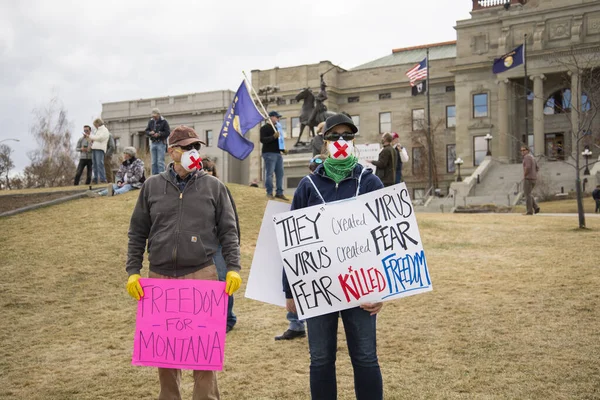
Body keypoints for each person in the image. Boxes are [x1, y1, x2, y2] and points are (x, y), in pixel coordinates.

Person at [125, 125, 242, 400]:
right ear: (172, 151)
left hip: (201, 273)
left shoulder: (214, 186)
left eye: (195, 148)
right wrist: (133, 271)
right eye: (186, 147)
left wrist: (233, 268)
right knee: (165, 355)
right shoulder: (152, 186)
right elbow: (137, 231)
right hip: (159, 278)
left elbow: (229, 231)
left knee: (202, 355)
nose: (192, 152)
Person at [283, 113, 384, 399]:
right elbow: (293, 242)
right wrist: (290, 290)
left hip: (362, 285)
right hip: (318, 288)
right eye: (335, 136)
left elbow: (385, 239)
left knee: (365, 357)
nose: (341, 141)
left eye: (347, 136)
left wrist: (383, 289)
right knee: (321, 359)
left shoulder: (371, 183)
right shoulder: (307, 186)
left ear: (354, 142)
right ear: (324, 143)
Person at [202, 154, 239, 332]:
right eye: (204, 169)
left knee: (223, 281)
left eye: (210, 169)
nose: (207, 172)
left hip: (219, 243)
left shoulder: (220, 188)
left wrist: (234, 243)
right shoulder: (194, 191)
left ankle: (228, 318)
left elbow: (232, 218)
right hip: (201, 245)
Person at [260, 110, 288, 200]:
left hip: (277, 153)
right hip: (269, 153)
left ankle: (279, 192)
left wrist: (282, 149)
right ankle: (269, 192)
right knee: (270, 173)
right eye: (277, 117)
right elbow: (263, 140)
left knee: (280, 173)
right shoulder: (264, 128)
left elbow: (279, 142)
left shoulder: (278, 128)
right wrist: (273, 137)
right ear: (271, 117)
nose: (278, 119)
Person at [145, 108, 171, 175]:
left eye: (155, 116)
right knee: (153, 162)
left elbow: (167, 132)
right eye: (153, 116)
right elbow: (146, 131)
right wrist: (150, 133)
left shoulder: (164, 122)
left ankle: (162, 176)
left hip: (161, 143)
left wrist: (159, 134)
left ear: (159, 115)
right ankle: (154, 176)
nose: (154, 117)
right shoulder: (151, 121)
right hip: (153, 143)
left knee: (160, 161)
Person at [88, 118, 110, 184]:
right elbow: (96, 138)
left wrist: (90, 136)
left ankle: (103, 179)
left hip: (100, 149)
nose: (95, 126)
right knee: (94, 164)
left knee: (100, 164)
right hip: (94, 148)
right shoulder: (98, 130)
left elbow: (100, 138)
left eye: (95, 124)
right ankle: (95, 179)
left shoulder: (105, 130)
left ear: (98, 124)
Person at [521, 145, 540, 215]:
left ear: (527, 150)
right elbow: (537, 168)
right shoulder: (532, 157)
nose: (522, 152)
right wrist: (534, 174)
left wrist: (525, 175)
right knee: (529, 193)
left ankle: (529, 211)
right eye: (521, 150)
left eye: (524, 150)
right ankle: (536, 207)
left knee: (527, 195)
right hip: (533, 179)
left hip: (528, 179)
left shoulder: (527, 157)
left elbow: (528, 167)